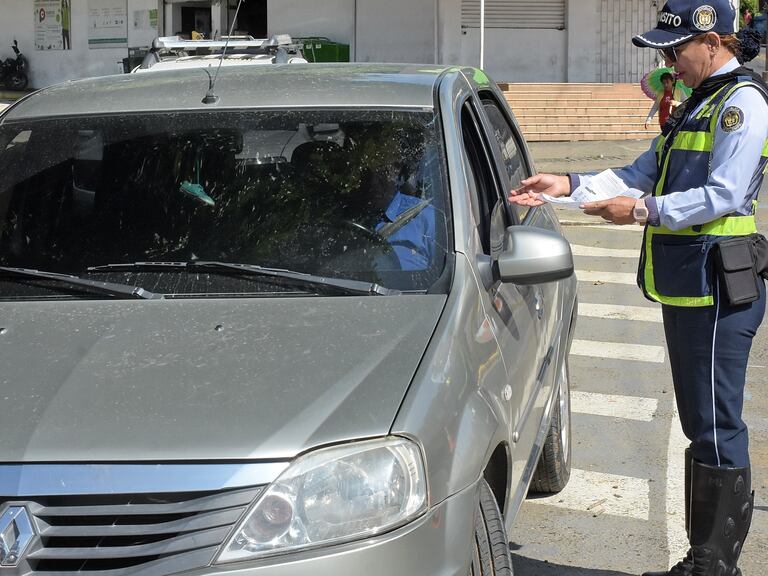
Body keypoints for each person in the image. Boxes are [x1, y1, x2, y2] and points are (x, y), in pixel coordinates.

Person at [509, 1, 767, 575]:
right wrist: (566, 184)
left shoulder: (741, 103)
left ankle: (714, 567)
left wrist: (644, 211)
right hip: (690, 281)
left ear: (714, 42)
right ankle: (703, 561)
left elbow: (724, 193)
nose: (669, 62)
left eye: (676, 49)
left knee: (716, 424)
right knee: (701, 422)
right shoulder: (698, 102)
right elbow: (634, 175)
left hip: (718, 283)